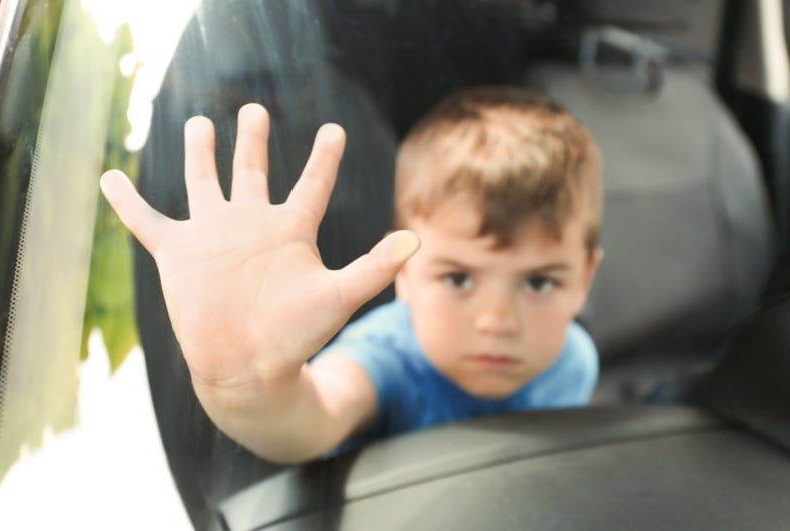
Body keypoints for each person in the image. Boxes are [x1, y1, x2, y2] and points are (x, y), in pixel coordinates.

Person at [100, 85, 604, 464]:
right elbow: (314, 416)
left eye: (540, 282)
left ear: (584, 278)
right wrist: (250, 389)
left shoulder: (574, 359)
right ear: (402, 272)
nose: (498, 322)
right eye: (458, 279)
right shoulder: (386, 362)